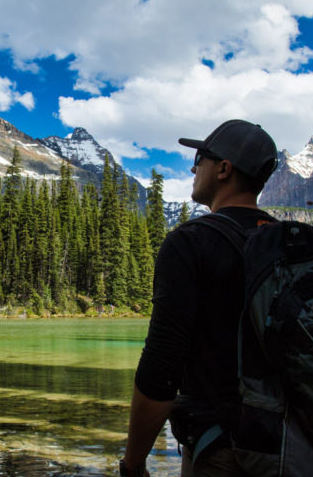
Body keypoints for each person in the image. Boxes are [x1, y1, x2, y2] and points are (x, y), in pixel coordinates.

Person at [119, 120, 279, 477]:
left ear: (224, 169)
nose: (193, 167)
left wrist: (133, 464)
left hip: (226, 452)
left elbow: (161, 367)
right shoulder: (293, 241)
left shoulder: (191, 242)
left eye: (201, 157)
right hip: (301, 448)